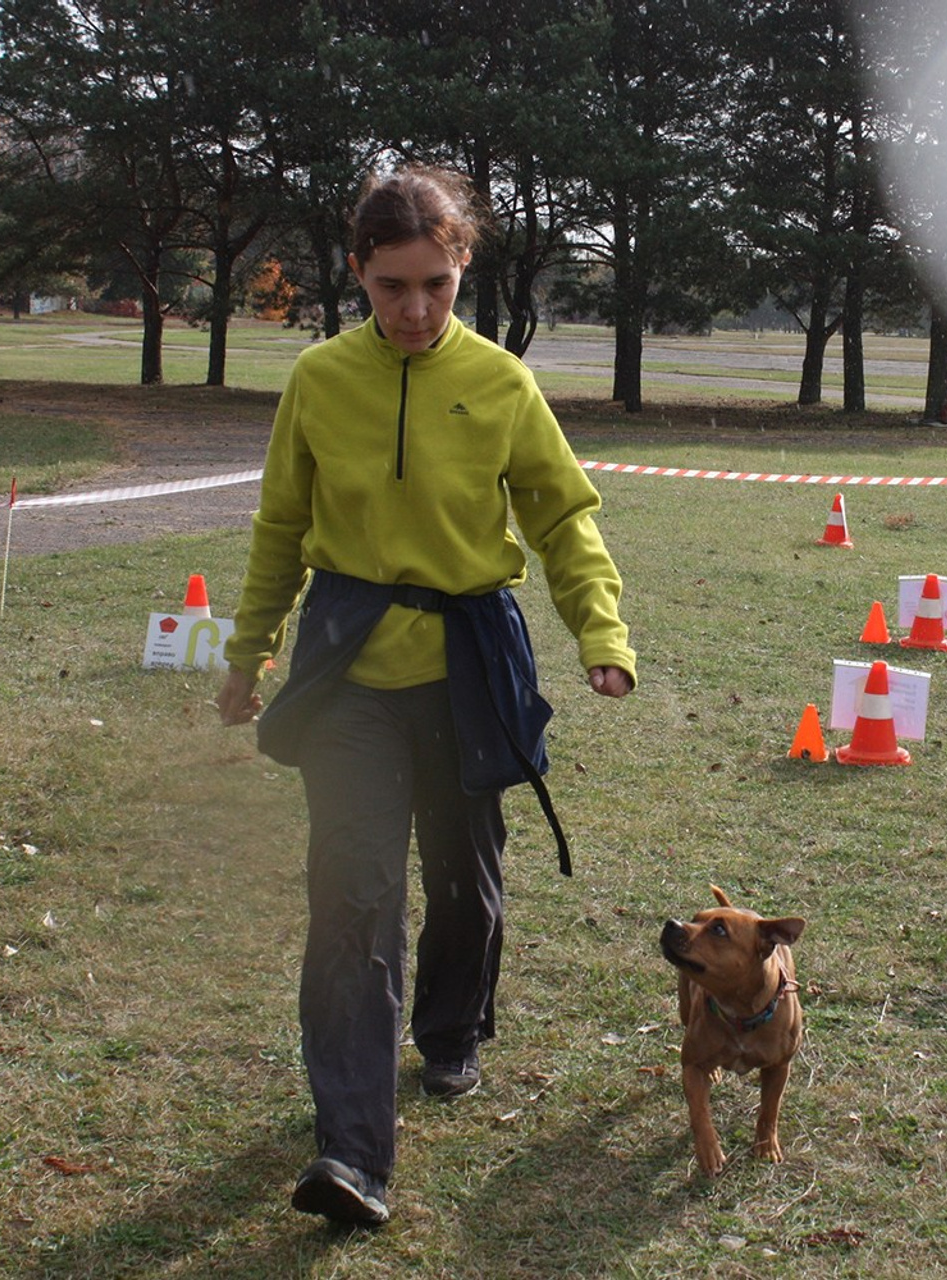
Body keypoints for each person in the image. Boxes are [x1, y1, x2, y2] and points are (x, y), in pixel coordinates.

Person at [215, 164, 636, 1227]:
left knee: (463, 877)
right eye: (391, 285)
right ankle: (352, 1153)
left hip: (467, 662)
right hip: (348, 670)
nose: (414, 309)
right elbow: (280, 526)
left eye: (436, 285)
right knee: (351, 894)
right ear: (358, 270)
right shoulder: (319, 379)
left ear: (462, 268)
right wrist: (247, 651)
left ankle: (450, 1030)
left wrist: (600, 632)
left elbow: (561, 517)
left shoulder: (500, 382)